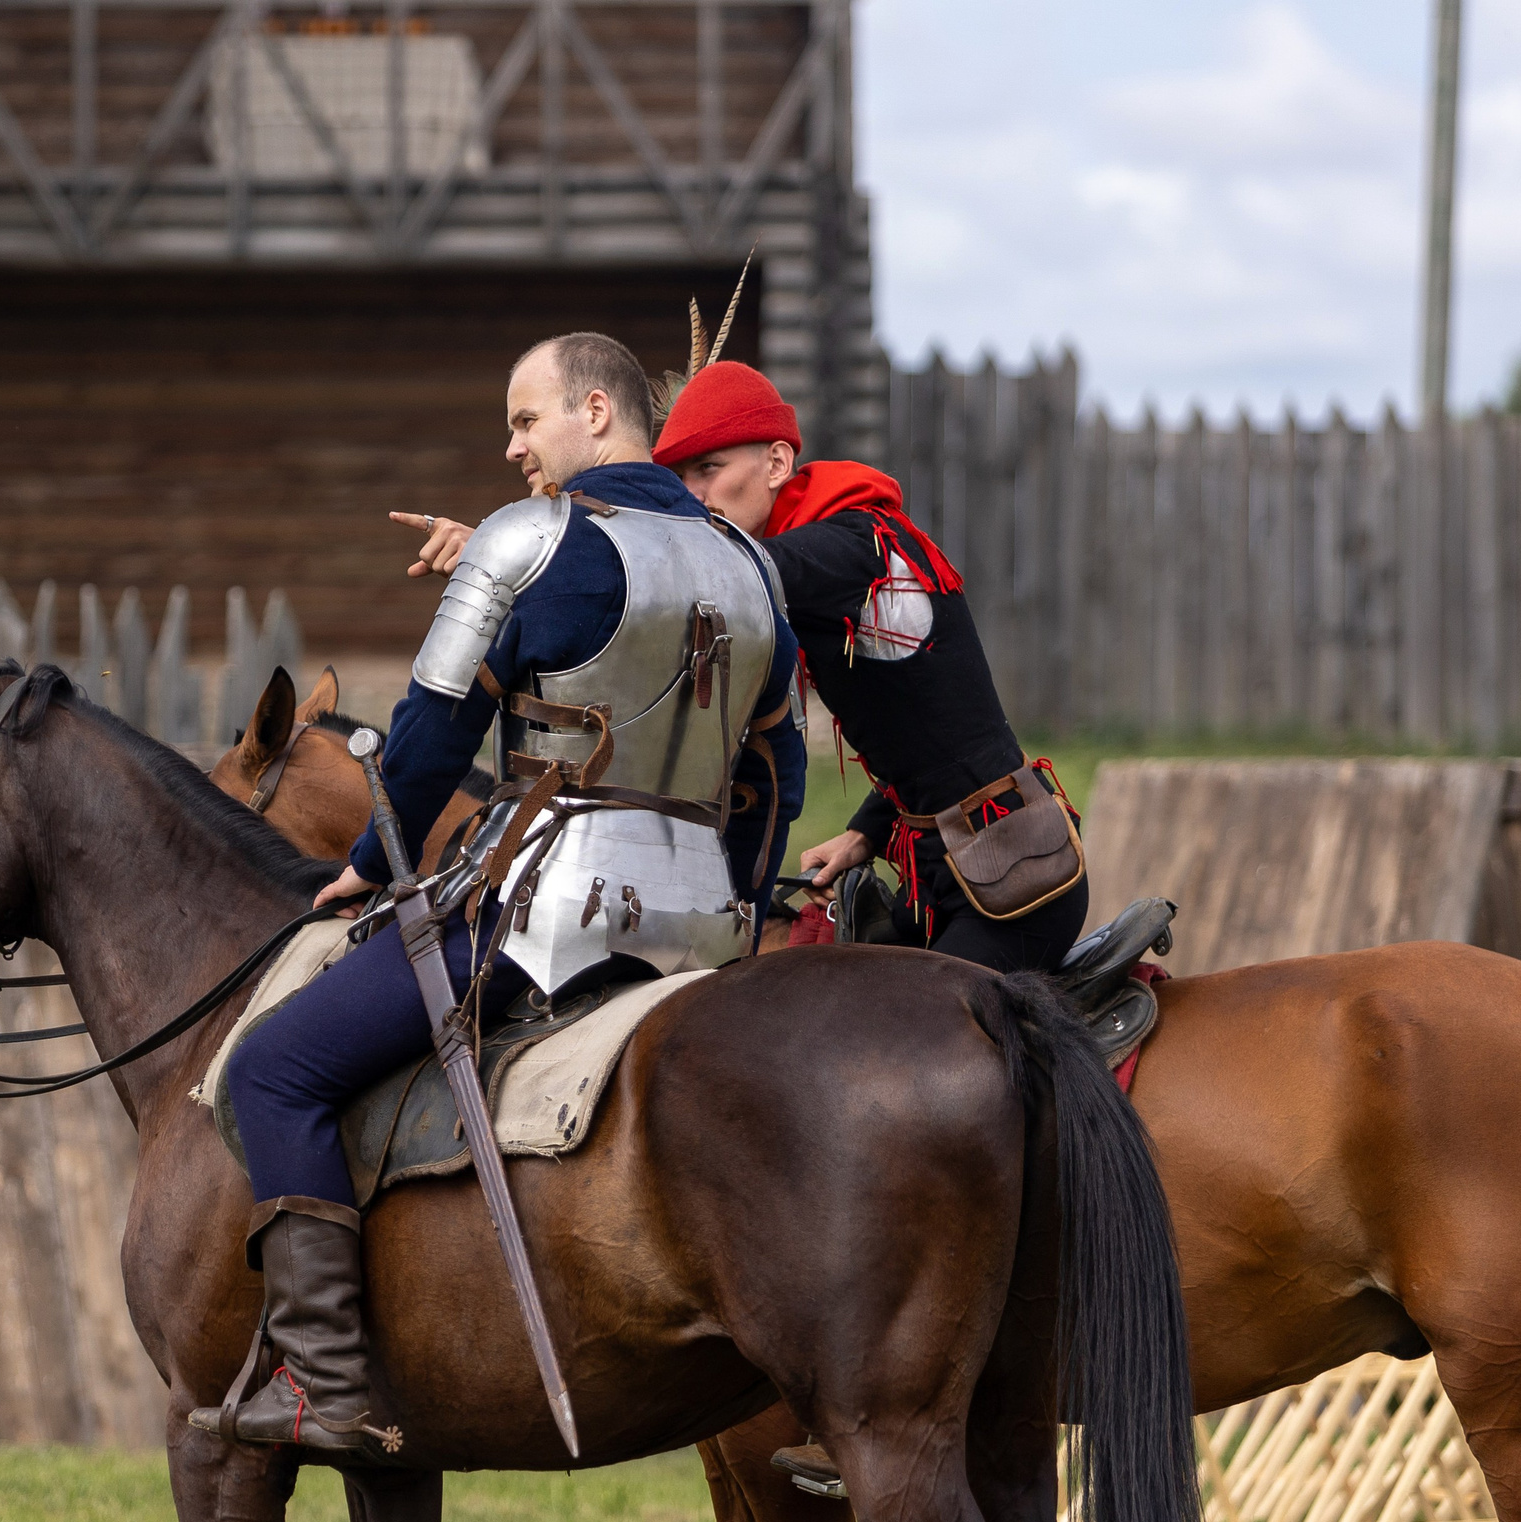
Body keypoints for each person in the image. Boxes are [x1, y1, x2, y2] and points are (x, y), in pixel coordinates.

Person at [187, 332, 808, 1457]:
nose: (512, 447)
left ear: (596, 412)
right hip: (706, 930)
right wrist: (744, 908)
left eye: (526, 421)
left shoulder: (532, 542)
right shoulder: (750, 563)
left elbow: (424, 749)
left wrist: (364, 872)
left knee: (275, 1069)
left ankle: (324, 1384)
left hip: (541, 919)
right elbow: (775, 775)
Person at [653, 357, 1088, 971]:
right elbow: (928, 729)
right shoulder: (829, 543)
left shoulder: (847, 548)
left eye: (708, 468)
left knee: (916, 1057)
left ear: (777, 464)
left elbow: (723, 573)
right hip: (939, 869)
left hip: (1013, 883)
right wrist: (865, 831)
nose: (692, 495)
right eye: (678, 477)